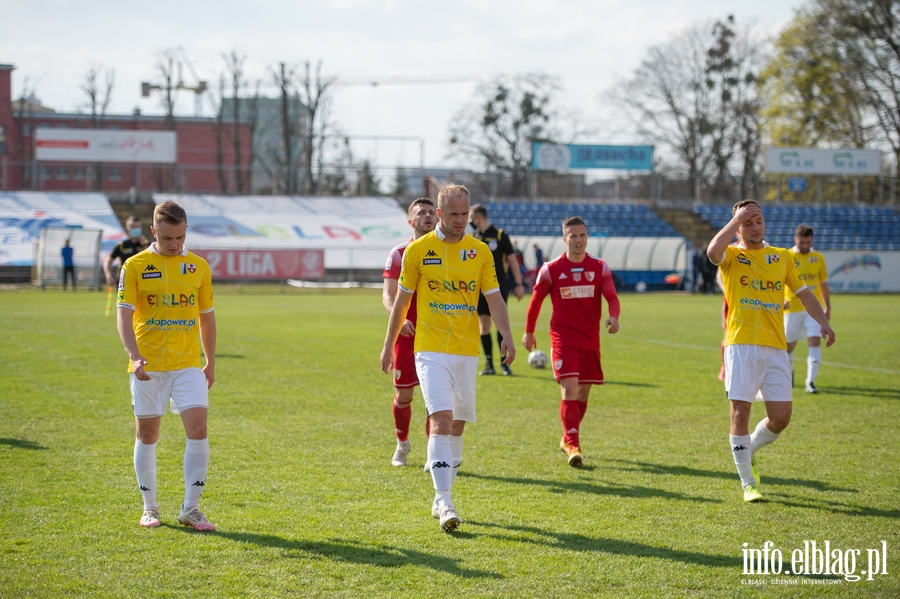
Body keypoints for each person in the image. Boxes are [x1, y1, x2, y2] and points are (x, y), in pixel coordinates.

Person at [380, 184, 515, 532]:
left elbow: (495, 298)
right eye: (453, 214)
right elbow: (401, 301)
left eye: (464, 214)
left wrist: (508, 337)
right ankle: (445, 501)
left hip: (467, 350)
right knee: (440, 419)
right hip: (429, 349)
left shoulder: (480, 252)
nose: (460, 220)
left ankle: (443, 493)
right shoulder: (418, 251)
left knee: (457, 424)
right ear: (439, 214)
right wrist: (388, 343)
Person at [707, 200, 835, 503]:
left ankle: (748, 448)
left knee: (781, 417)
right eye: (747, 222)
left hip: (775, 347)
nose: (755, 227)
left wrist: (824, 322)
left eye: (758, 220)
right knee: (740, 411)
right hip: (740, 345)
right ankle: (748, 483)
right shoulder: (732, 256)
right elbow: (713, 252)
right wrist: (734, 220)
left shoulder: (782, 257)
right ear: (738, 227)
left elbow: (805, 294)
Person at [116, 200, 218, 530]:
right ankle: (150, 508)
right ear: (153, 232)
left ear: (186, 231)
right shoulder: (134, 265)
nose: (174, 244)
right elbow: (124, 315)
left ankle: (191, 509)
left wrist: (210, 361)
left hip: (188, 364)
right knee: (148, 435)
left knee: (199, 430)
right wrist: (134, 354)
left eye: (179, 237)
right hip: (148, 366)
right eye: (167, 238)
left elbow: (207, 318)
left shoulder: (199, 267)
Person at [522, 217, 621, 468]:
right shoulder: (551, 269)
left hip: (590, 339)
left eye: (582, 235)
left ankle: (567, 436)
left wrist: (613, 317)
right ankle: (574, 445)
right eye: (573, 236)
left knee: (584, 391)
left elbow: (612, 297)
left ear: (587, 237)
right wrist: (529, 332)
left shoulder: (599, 267)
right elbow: (535, 302)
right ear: (565, 239)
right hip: (563, 338)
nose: (578, 240)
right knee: (569, 389)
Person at [382, 198, 437, 466]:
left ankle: (432, 451)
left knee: (434, 397)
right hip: (407, 336)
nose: (427, 216)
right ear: (410, 220)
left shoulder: (446, 251)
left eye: (431, 212)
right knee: (404, 395)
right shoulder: (399, 254)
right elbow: (388, 296)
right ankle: (402, 443)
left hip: (437, 336)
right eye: (421, 212)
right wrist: (400, 319)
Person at [468, 204, 524, 375]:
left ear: (478, 218)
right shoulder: (474, 237)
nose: (469, 222)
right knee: (484, 325)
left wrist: (519, 284)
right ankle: (489, 365)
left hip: (499, 285)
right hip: (478, 286)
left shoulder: (500, 235)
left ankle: (504, 364)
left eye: (471, 219)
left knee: (501, 325)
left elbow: (512, 260)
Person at [784, 225, 831, 394]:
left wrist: (827, 309)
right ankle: (789, 374)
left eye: (808, 243)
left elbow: (823, 284)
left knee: (815, 340)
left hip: (813, 309)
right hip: (792, 308)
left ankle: (810, 382)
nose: (805, 246)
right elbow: (777, 282)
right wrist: (781, 299)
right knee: (788, 346)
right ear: (795, 240)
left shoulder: (818, 258)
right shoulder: (786, 256)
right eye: (802, 242)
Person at [105, 216, 150, 286]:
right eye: (133, 227)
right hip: (124, 280)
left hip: (142, 279)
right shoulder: (121, 245)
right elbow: (108, 261)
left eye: (138, 227)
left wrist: (144, 244)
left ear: (141, 228)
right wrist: (108, 276)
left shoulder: (147, 244)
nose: (136, 229)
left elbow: (151, 258)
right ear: (127, 229)